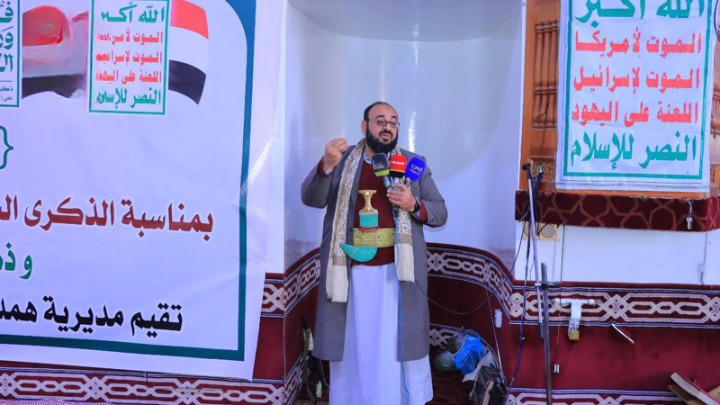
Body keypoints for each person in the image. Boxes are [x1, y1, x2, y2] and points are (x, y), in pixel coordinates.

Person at [301, 101, 448, 405]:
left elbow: (440, 212)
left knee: (395, 347)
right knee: (355, 347)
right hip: (350, 276)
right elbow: (312, 198)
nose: (387, 127)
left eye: (393, 122)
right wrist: (325, 166)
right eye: (380, 121)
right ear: (364, 126)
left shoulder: (413, 164)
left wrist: (414, 205)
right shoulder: (342, 162)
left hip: (398, 277)